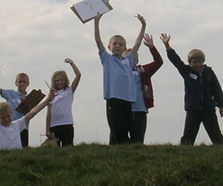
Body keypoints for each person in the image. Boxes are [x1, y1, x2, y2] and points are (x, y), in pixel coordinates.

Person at [161, 34, 223, 145]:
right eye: (194, 62)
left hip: (208, 108)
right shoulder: (187, 71)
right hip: (193, 108)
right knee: (188, 135)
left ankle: (222, 151)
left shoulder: (209, 73)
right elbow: (176, 61)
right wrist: (167, 46)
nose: (197, 64)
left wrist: (221, 105)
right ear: (190, 63)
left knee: (216, 134)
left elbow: (216, 89)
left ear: (203, 62)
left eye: (200, 62)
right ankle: (184, 152)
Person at [93, 13, 147, 144]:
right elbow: (98, 41)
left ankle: (125, 147)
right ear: (109, 47)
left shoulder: (129, 60)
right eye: (114, 44)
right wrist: (96, 22)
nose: (117, 46)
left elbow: (137, 43)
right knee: (116, 127)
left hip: (128, 99)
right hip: (113, 98)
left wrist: (143, 26)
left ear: (124, 48)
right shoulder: (107, 59)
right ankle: (122, 146)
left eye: (121, 44)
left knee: (127, 125)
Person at [130, 34, 163, 143]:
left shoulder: (143, 70)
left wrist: (151, 47)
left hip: (140, 109)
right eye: (128, 58)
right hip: (124, 109)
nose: (132, 60)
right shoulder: (119, 71)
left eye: (134, 58)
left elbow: (158, 62)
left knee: (138, 140)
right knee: (120, 140)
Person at [0, 67, 36, 147]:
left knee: (23, 149)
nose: (22, 84)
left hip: (23, 127)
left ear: (28, 84)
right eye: (20, 82)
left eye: (24, 82)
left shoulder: (30, 97)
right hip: (10, 126)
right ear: (16, 83)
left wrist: (27, 106)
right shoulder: (10, 93)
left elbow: (32, 113)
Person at [45, 59, 82, 147]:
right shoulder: (51, 94)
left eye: (62, 80)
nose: (60, 82)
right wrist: (47, 129)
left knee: (68, 148)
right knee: (55, 150)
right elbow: (48, 113)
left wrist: (71, 63)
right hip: (54, 125)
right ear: (54, 82)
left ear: (65, 80)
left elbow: (78, 75)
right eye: (57, 80)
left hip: (67, 124)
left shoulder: (69, 90)